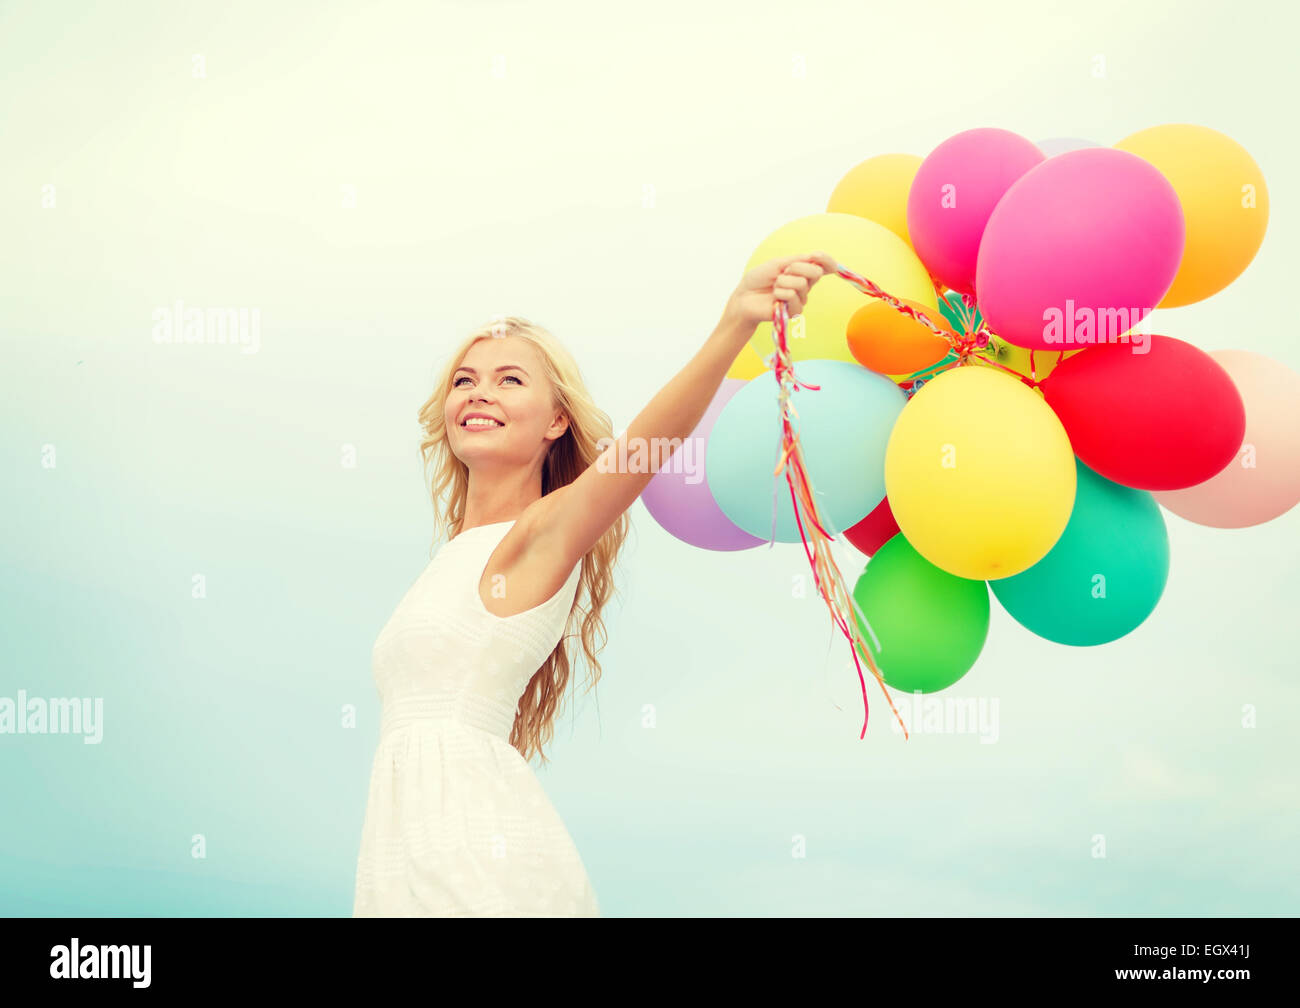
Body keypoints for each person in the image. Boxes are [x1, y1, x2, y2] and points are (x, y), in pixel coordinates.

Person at [352, 250, 836, 917]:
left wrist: (734, 324)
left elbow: (643, 449)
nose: (480, 391)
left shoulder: (539, 533)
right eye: (465, 379)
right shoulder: (452, 561)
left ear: (556, 421)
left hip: (477, 868)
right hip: (409, 858)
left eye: (510, 379)